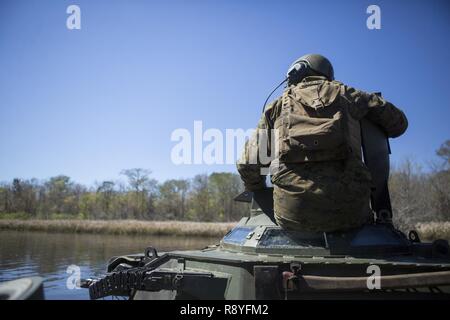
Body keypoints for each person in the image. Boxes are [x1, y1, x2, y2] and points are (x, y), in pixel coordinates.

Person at [237, 54, 408, 233]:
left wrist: (258, 190)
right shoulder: (351, 95)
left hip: (293, 218)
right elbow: (399, 125)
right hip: (352, 215)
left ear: (297, 72)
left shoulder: (276, 107)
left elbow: (247, 164)